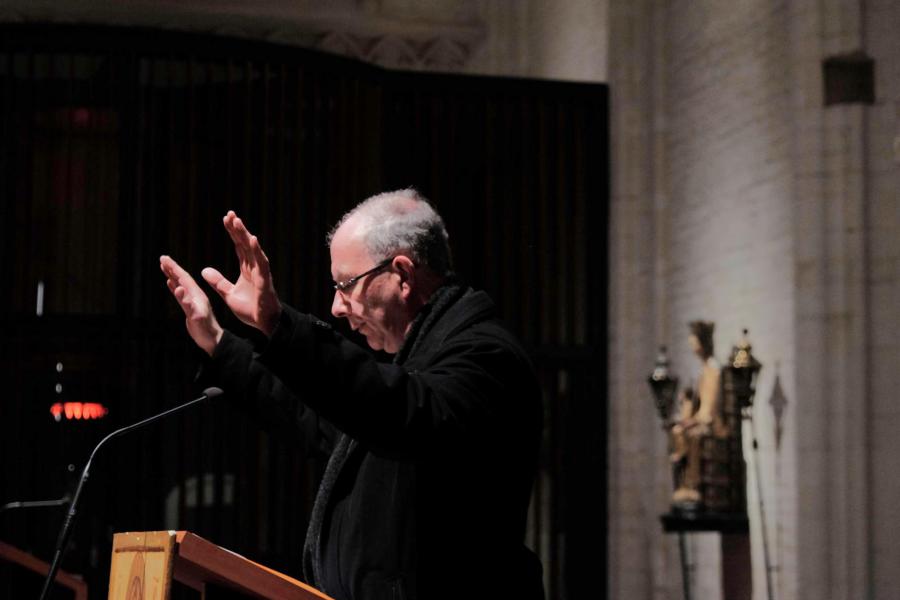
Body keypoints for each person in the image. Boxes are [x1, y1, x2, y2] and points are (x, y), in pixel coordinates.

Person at [159, 189, 544, 600]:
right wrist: (218, 343)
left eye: (346, 284)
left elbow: (401, 412)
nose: (336, 307)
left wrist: (278, 323)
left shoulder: (485, 356)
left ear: (402, 275)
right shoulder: (416, 363)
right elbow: (315, 417)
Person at [669, 320, 723, 507]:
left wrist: (693, 421)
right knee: (677, 429)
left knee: (691, 434)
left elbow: (708, 410)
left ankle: (694, 484)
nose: (692, 345)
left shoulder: (713, 371)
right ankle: (685, 481)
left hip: (712, 423)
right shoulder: (705, 370)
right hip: (702, 418)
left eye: (694, 340)